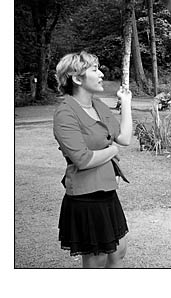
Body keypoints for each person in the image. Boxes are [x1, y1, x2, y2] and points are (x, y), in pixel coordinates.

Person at [53, 51, 132, 268]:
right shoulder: (65, 114)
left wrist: (126, 103)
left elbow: (124, 138)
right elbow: (83, 160)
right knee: (98, 258)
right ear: (77, 79)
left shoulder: (97, 105)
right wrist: (112, 150)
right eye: (94, 70)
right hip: (86, 196)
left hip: (106, 191)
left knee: (118, 252)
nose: (101, 74)